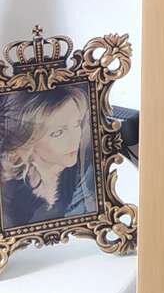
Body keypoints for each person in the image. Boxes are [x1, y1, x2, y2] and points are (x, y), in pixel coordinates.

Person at [0, 85, 97, 230]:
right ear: (28, 141)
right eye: (58, 132)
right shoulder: (9, 195)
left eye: (76, 124)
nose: (75, 139)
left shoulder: (88, 177)